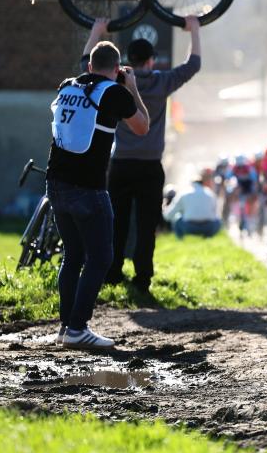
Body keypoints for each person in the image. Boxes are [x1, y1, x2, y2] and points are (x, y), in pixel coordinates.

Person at [86, 17, 202, 293]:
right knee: (147, 225)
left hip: (121, 163)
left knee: (117, 222)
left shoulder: (116, 82)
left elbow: (87, 64)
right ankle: (143, 278)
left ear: (129, 60)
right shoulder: (162, 81)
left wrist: (97, 31)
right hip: (151, 165)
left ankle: (113, 273)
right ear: (151, 61)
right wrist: (194, 30)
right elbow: (193, 64)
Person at [48, 40, 149, 349]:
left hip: (55, 183)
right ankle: (78, 328)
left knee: (73, 255)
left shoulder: (68, 86)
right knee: (101, 257)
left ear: (90, 66)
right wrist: (132, 88)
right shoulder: (115, 93)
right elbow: (142, 127)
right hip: (88, 188)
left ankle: (66, 327)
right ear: (117, 69)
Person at [164, 171, 221, 239]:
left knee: (177, 217)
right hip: (208, 227)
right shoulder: (210, 194)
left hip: (188, 227)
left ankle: (180, 240)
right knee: (218, 221)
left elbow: (169, 214)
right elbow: (215, 213)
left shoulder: (183, 194)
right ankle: (207, 238)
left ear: (191, 184)